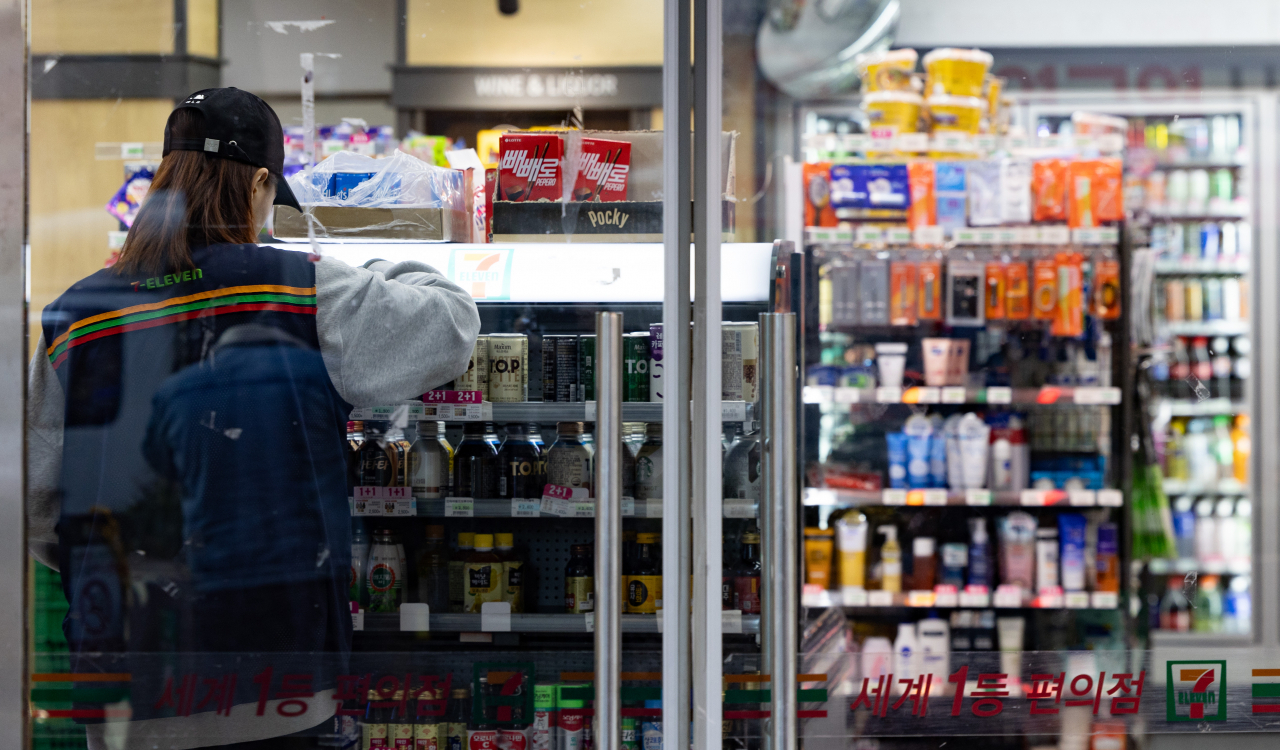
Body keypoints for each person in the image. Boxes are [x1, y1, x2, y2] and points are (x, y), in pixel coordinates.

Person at [26, 88, 480, 749]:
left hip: (130, 684)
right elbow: (450, 322)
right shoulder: (303, 288)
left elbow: (40, 508)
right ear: (263, 183)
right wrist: (367, 260)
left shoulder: (77, 312)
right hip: (280, 676)